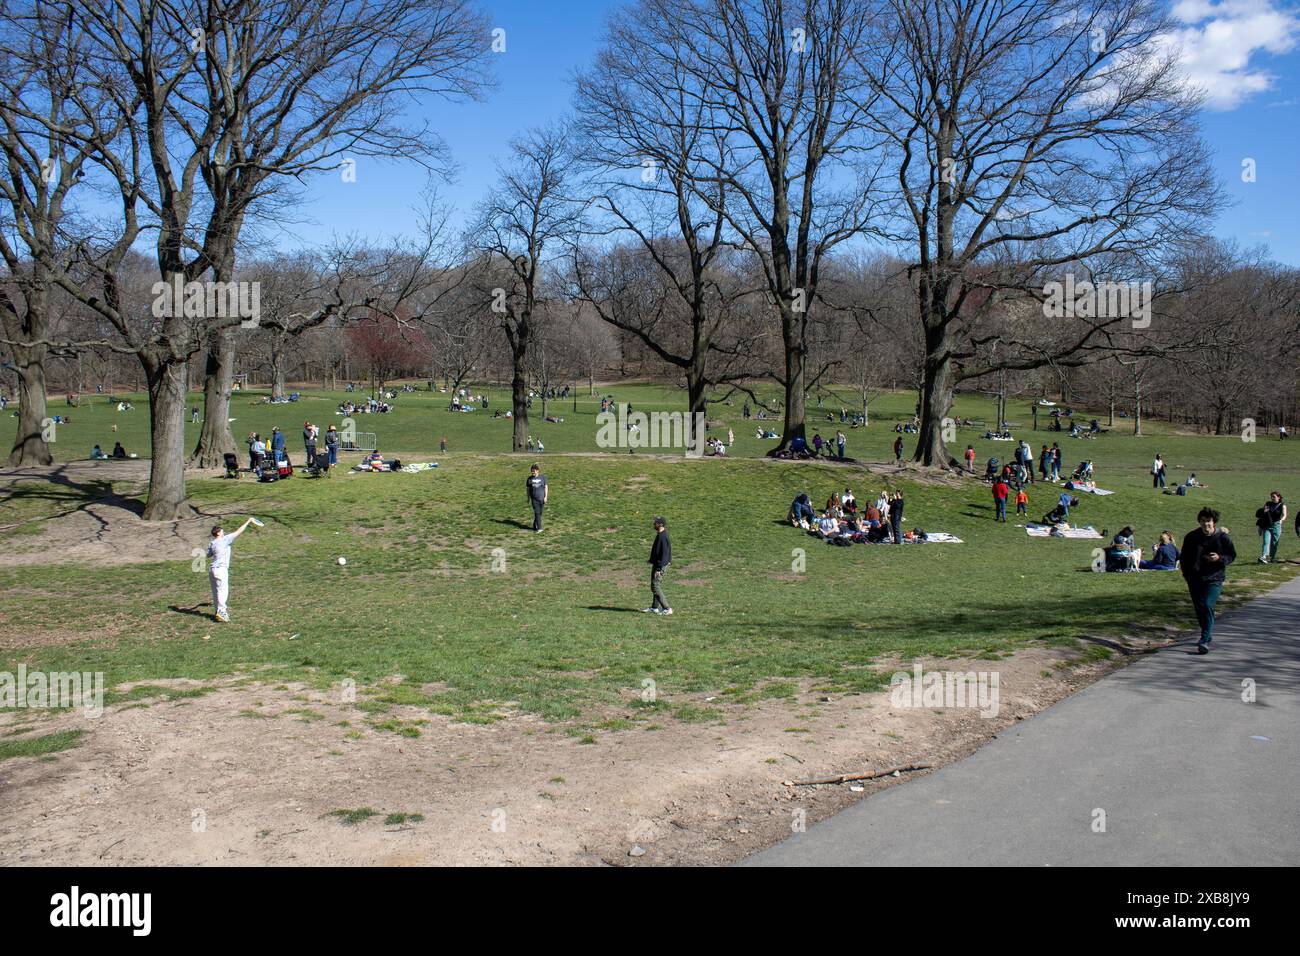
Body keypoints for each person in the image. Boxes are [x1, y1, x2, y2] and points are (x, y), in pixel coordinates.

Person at [1179, 508, 1236, 654]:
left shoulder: (1222, 538)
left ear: (1214, 522)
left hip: (1214, 578)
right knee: (1199, 609)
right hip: (1194, 578)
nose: (1206, 524)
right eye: (1203, 521)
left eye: (1209, 521)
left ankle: (1204, 640)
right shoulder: (1191, 537)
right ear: (1199, 522)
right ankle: (1207, 633)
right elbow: (1184, 557)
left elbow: (1231, 555)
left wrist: (1219, 558)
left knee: (1208, 604)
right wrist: (1186, 574)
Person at [207, 517, 256, 623]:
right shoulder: (225, 539)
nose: (223, 532)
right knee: (223, 591)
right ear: (219, 533)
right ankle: (222, 612)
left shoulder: (212, 543)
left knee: (216, 592)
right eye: (222, 531)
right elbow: (239, 531)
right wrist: (248, 521)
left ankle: (218, 612)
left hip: (212, 570)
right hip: (221, 570)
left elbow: (208, 555)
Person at [645, 517, 673, 615]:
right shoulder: (661, 534)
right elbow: (659, 551)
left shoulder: (663, 536)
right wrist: (652, 560)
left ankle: (667, 608)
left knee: (655, 586)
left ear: (660, 524)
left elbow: (665, 554)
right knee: (656, 585)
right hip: (658, 564)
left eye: (655, 522)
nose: (654, 524)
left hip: (660, 566)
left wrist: (659, 568)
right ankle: (654, 607)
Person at [1256, 492, 1286, 564]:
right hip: (1267, 525)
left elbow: (1284, 515)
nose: (1272, 498)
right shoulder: (1268, 504)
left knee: (1274, 543)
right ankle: (1264, 557)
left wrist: (1281, 520)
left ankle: (1269, 559)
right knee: (1266, 542)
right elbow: (1263, 515)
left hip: (1276, 525)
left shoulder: (1282, 505)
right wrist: (1260, 527)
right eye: (1271, 496)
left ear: (1279, 497)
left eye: (1274, 496)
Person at [526, 463, 548, 532]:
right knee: (537, 513)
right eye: (531, 471)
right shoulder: (529, 479)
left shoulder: (542, 477)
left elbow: (546, 487)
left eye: (534, 471)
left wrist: (546, 497)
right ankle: (539, 528)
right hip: (534, 499)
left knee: (539, 513)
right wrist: (528, 498)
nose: (532, 472)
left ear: (538, 470)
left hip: (542, 499)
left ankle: (535, 524)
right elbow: (528, 489)